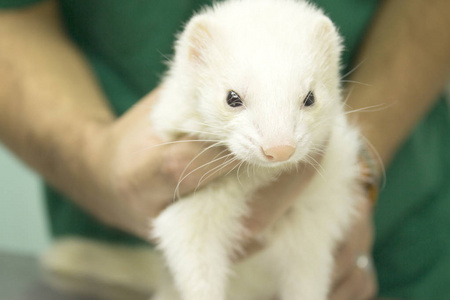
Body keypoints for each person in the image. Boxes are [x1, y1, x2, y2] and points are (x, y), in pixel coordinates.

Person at [0, 0, 448, 299]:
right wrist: (93, 158)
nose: (280, 144)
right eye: (234, 100)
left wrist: (359, 171)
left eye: (307, 101)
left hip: (404, 256)